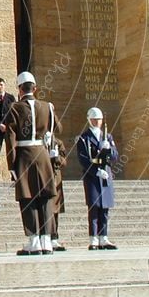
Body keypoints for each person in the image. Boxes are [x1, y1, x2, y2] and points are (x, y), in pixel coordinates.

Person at [5, 71, 61, 255]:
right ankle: (47, 240)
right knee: (45, 197)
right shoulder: (47, 107)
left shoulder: (15, 108)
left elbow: (11, 138)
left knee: (27, 198)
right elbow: (55, 130)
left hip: (24, 155)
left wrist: (12, 165)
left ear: (20, 89)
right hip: (43, 154)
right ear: (34, 88)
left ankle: (34, 240)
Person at [77, 107, 119, 250]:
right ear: (89, 120)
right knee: (94, 208)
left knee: (105, 208)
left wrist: (110, 149)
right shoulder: (84, 138)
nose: (97, 122)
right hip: (93, 176)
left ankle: (104, 237)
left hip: (105, 174)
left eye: (99, 119)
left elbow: (114, 157)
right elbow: (83, 159)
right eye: (94, 119)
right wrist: (95, 172)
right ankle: (94, 238)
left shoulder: (107, 137)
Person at [49, 136, 68, 251]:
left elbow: (64, 161)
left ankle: (54, 237)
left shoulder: (58, 142)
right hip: (43, 177)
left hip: (55, 178)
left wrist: (56, 158)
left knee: (55, 209)